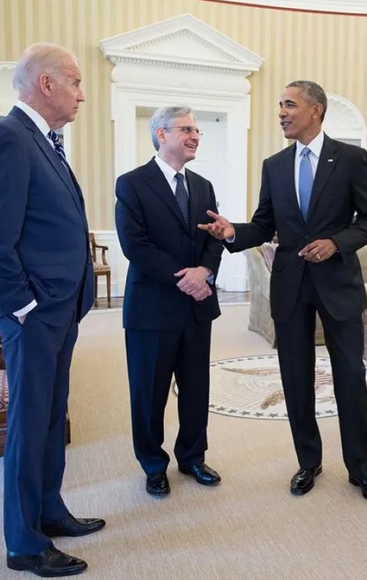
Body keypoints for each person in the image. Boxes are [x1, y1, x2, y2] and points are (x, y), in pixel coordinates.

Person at [198, 80, 367, 506]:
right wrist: (232, 233)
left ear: (316, 110)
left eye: (290, 105)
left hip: (338, 285)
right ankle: (308, 462)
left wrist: (336, 242)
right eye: (280, 105)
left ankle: (362, 471)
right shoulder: (275, 165)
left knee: (350, 377)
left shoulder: (350, 158)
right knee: (295, 377)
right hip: (290, 284)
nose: (282, 113)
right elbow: (264, 224)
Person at [0, 43, 104, 577]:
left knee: (51, 416)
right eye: (75, 81)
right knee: (29, 424)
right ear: (46, 84)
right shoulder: (7, 138)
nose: (81, 94)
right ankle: (24, 544)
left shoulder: (44, 140)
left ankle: (50, 510)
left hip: (59, 308)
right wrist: (23, 305)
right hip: (34, 314)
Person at [115, 106, 224, 498]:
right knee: (149, 393)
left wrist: (205, 271)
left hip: (196, 309)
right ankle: (152, 464)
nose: (195, 136)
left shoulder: (204, 186)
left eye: (197, 130)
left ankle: (193, 457)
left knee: (196, 388)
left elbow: (214, 237)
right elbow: (135, 246)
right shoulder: (132, 184)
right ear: (161, 134)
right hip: (152, 308)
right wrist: (187, 278)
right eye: (186, 129)